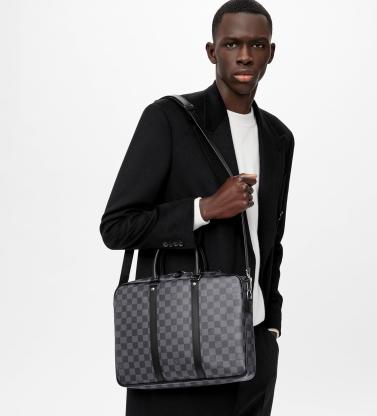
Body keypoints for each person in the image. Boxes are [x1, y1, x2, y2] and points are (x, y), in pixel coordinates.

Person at [99, 0, 295, 415]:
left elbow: (271, 241)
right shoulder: (169, 120)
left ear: (271, 53)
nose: (245, 56)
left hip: (255, 349)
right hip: (183, 342)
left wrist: (272, 326)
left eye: (257, 45)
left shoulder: (278, 137)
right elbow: (116, 227)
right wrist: (203, 209)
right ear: (212, 51)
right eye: (232, 44)